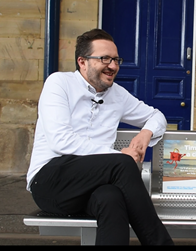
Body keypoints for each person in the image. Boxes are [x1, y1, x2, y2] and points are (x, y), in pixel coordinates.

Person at [26, 28, 173, 245]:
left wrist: (145, 133)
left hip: (91, 187)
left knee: (110, 198)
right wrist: (118, 156)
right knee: (123, 164)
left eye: (116, 59)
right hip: (50, 181)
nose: (113, 66)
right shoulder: (59, 83)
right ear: (82, 62)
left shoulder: (118, 95)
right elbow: (61, 141)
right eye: (105, 58)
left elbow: (156, 116)